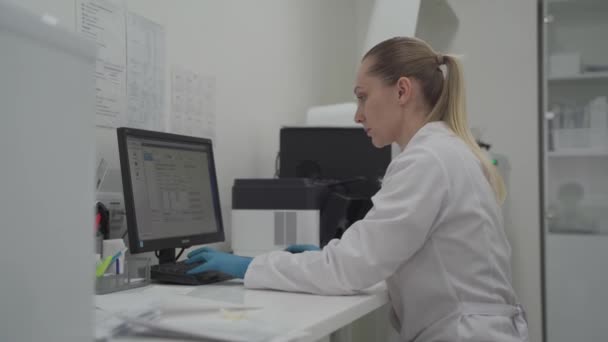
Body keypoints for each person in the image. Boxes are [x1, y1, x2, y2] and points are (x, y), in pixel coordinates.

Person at [186, 36, 529, 341]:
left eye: (363, 98)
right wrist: (321, 258)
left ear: (402, 91)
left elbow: (349, 269)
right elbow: (380, 257)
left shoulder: (427, 160)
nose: (358, 115)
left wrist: (249, 266)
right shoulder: (446, 151)